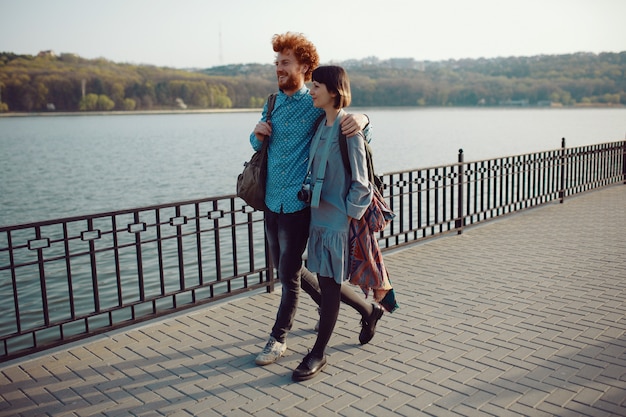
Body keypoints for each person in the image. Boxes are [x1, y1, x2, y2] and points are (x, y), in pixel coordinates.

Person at [251, 32, 384, 367]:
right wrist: (256, 133)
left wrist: (364, 118)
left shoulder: (312, 103)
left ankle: (279, 339)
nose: (278, 69)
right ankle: (364, 309)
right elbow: (257, 145)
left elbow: (349, 125)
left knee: (289, 276)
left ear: (304, 66)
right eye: (276, 63)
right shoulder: (272, 101)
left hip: (300, 205)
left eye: (285, 63)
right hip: (271, 200)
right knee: (289, 270)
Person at [291, 65, 375, 381]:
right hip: (318, 218)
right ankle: (369, 311)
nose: (311, 91)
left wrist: (350, 216)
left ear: (333, 91)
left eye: (316, 87)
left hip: (337, 222)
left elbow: (362, 184)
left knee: (328, 287)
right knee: (329, 282)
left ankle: (318, 353)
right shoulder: (320, 127)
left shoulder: (347, 129)